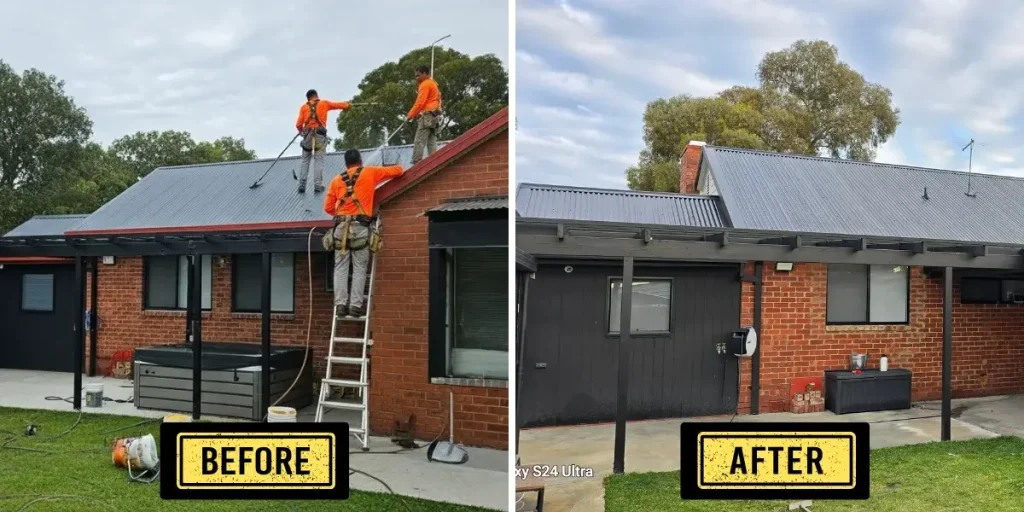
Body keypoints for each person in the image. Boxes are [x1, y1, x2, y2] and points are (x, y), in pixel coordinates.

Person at [323, 149, 404, 318]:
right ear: (360, 161)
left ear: (346, 164)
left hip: (340, 229)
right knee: (360, 268)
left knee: (340, 267)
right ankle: (355, 306)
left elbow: (328, 208)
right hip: (361, 227)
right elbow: (398, 171)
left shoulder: (337, 180)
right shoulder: (370, 173)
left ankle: (340, 305)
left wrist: (344, 212)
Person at [296, 89, 350, 194]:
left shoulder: (303, 107)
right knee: (318, 159)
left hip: (307, 135)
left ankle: (302, 185)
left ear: (308, 98)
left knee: (305, 159)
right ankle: (317, 185)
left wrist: (301, 132)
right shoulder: (324, 103)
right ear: (316, 96)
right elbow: (337, 105)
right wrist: (348, 105)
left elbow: (298, 124)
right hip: (320, 134)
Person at [407, 65, 442, 164]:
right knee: (432, 139)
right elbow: (439, 100)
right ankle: (434, 161)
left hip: (428, 115)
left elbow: (420, 103)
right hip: (436, 115)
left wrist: (410, 115)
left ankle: (416, 162)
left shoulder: (425, 84)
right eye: (415, 76)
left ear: (425, 74)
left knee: (419, 140)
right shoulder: (434, 84)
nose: (416, 77)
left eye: (418, 75)